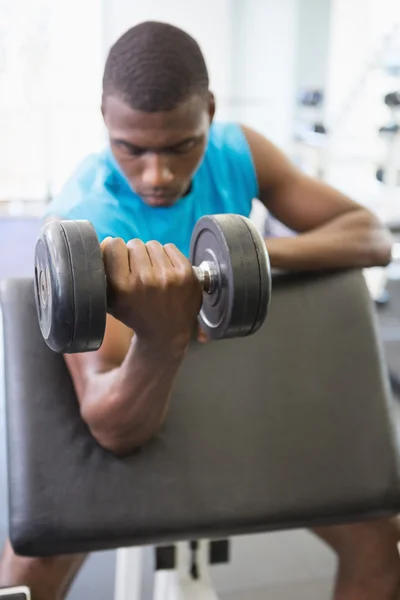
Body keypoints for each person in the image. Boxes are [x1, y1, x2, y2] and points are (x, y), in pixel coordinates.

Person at [0, 20, 398, 600]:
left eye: (182, 145)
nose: (156, 175)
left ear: (208, 111)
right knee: (23, 577)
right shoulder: (88, 219)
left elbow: (371, 236)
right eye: (131, 149)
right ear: (105, 118)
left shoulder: (237, 151)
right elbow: (112, 427)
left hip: (237, 393)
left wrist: (248, 258)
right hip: (135, 400)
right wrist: (162, 335)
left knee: (381, 548)